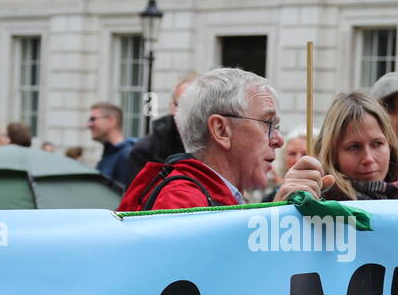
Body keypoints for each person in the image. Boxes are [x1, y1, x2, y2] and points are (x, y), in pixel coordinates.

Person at [118, 67, 331, 211]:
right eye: (267, 124)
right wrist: (274, 221)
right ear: (221, 130)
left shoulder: (209, 194)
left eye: (277, 127)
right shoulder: (182, 202)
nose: (278, 140)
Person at [317, 92, 398, 201]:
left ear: (390, 145)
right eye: (354, 147)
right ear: (333, 154)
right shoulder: (317, 205)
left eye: (377, 144)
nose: (368, 159)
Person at [118, 71, 200, 186]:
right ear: (172, 107)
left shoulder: (218, 147)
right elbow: (137, 200)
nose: (190, 113)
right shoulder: (145, 150)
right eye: (183, 105)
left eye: (196, 106)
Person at [88, 102, 136, 188]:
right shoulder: (109, 155)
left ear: (111, 121)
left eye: (93, 119)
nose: (88, 125)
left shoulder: (127, 155)